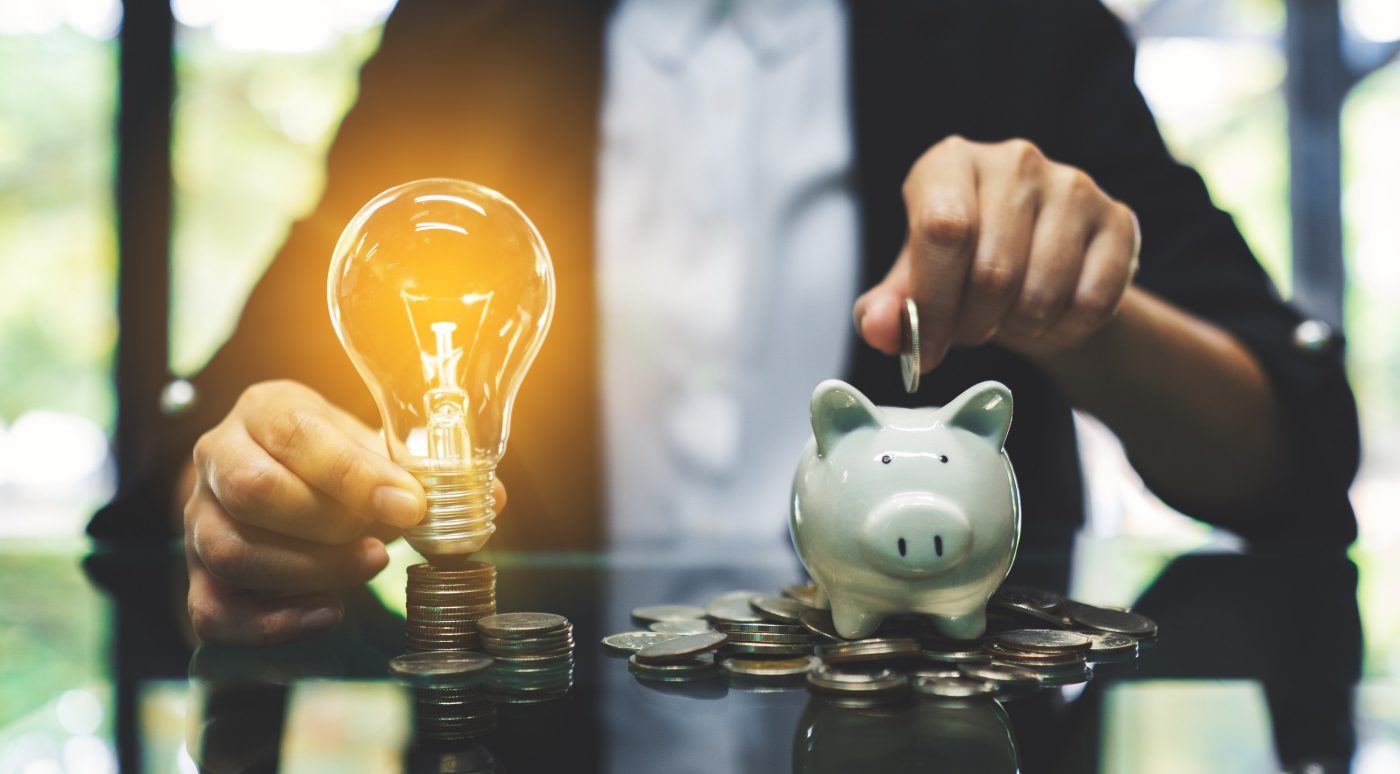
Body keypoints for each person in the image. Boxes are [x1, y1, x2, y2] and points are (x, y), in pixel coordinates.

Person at [90, 0, 1359, 644]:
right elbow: (214, 451)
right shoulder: (463, 35)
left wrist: (1073, 311)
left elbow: (1289, 460)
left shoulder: (1008, 23)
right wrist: (248, 484)